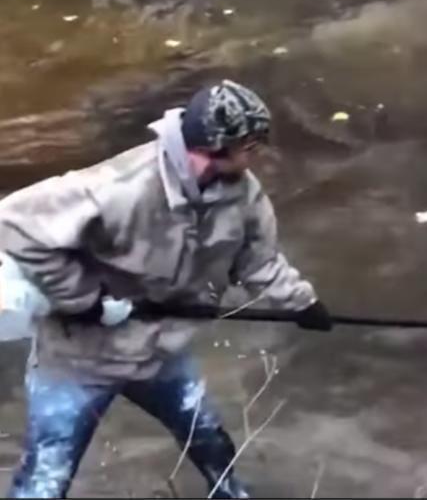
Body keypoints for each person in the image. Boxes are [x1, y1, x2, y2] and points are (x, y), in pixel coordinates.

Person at [0, 80, 333, 498]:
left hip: (161, 352)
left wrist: (302, 303)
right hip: (77, 362)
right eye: (251, 145)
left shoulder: (243, 195)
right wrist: (81, 299)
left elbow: (258, 261)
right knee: (46, 480)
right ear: (215, 146)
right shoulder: (118, 187)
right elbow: (13, 222)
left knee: (212, 443)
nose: (258, 154)